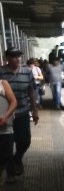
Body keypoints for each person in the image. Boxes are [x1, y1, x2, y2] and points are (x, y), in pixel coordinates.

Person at [0, 46, 39, 182]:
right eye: (13, 57)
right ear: (7, 59)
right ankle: (10, 172)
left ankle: (17, 159)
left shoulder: (27, 72)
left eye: (19, 56)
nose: (17, 59)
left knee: (24, 141)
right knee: (8, 144)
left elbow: (31, 91)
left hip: (22, 111)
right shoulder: (1, 73)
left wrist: (35, 110)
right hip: (6, 115)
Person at [0, 78, 17, 186]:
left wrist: (5, 117)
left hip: (4, 129)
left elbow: (14, 102)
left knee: (5, 156)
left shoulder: (2, 83)